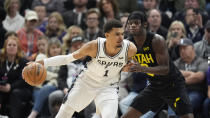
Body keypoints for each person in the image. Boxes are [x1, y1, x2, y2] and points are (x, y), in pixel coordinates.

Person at [33, 19, 137, 118]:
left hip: (108, 87)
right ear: (107, 35)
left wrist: (126, 67)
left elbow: (128, 65)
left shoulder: (130, 49)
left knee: (109, 115)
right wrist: (42, 62)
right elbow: (67, 59)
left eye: (122, 34)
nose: (121, 38)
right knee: (64, 113)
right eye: (117, 34)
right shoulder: (94, 46)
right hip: (86, 83)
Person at [122, 11, 194, 118]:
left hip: (173, 84)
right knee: (127, 116)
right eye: (130, 23)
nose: (132, 26)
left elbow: (165, 69)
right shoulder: (128, 44)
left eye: (136, 23)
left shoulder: (156, 40)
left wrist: (142, 68)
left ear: (145, 24)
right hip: (154, 86)